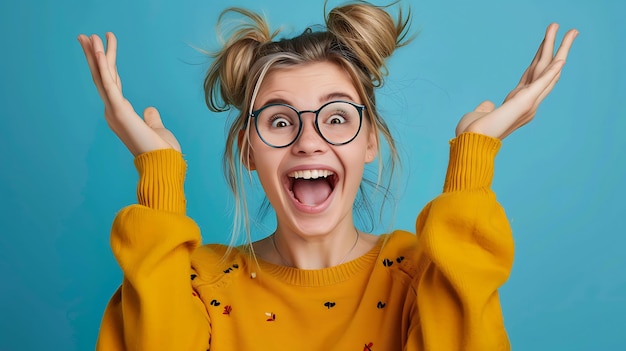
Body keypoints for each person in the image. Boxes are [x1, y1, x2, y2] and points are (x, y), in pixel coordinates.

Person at [78, 2, 577, 350]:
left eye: (337, 118)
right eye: (278, 120)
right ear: (248, 151)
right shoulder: (195, 284)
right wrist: (159, 176)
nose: (309, 140)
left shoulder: (422, 274)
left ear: (370, 142)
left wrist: (471, 167)